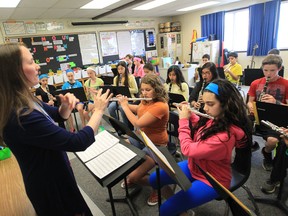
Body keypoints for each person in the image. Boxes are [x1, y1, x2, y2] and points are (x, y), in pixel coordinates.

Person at [0, 43, 112, 216]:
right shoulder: (20, 115)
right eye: (31, 62)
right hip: (50, 186)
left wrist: (65, 107)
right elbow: (78, 142)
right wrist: (98, 110)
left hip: (56, 174)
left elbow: (57, 116)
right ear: (14, 71)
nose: (38, 67)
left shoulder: (26, 98)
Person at [149, 79, 252, 216]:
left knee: (165, 210)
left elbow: (187, 149)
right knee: (154, 179)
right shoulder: (215, 116)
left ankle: (176, 209)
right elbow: (204, 129)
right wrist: (191, 117)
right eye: (204, 103)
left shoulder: (225, 136)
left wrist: (183, 121)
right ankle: (181, 210)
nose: (204, 109)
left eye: (210, 104)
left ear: (226, 104)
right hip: (196, 165)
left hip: (213, 178)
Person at [117, 74, 169, 206]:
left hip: (156, 145)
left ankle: (157, 187)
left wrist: (124, 106)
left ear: (157, 89)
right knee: (121, 149)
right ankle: (140, 174)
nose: (144, 93)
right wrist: (126, 104)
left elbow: (138, 123)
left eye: (148, 90)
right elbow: (139, 109)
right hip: (141, 138)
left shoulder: (160, 106)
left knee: (133, 176)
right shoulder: (146, 101)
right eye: (142, 90)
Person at [247, 54, 288, 171]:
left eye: (272, 70)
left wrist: (276, 102)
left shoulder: (286, 84)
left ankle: (266, 153)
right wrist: (251, 107)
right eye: (265, 70)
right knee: (240, 127)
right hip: (257, 116)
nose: (268, 74)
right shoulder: (256, 83)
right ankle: (248, 148)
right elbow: (250, 102)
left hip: (276, 119)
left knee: (272, 141)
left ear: (279, 69)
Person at [108, 61, 138, 128]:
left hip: (128, 98)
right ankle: (117, 126)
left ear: (126, 68)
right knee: (110, 108)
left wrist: (125, 89)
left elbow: (136, 90)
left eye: (122, 68)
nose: (120, 71)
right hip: (118, 98)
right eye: (118, 69)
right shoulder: (116, 78)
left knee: (122, 109)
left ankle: (126, 128)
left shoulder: (131, 77)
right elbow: (114, 90)